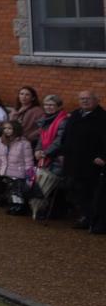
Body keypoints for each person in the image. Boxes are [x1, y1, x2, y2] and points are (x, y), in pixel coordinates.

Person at [49, 90, 106, 234]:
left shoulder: (102, 117)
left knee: (90, 191)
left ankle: (93, 219)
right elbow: (66, 136)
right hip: (72, 160)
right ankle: (85, 215)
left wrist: (103, 156)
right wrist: (61, 152)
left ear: (96, 100)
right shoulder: (75, 115)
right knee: (73, 189)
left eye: (88, 98)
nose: (84, 101)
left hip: (92, 162)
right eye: (82, 99)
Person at [0, 119, 34, 214]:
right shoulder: (2, 141)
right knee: (10, 189)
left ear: (16, 129)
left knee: (18, 190)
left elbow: (28, 160)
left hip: (19, 172)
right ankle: (13, 205)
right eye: (5, 128)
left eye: (10, 128)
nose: (7, 130)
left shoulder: (24, 143)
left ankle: (19, 207)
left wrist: (30, 175)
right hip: (7, 170)